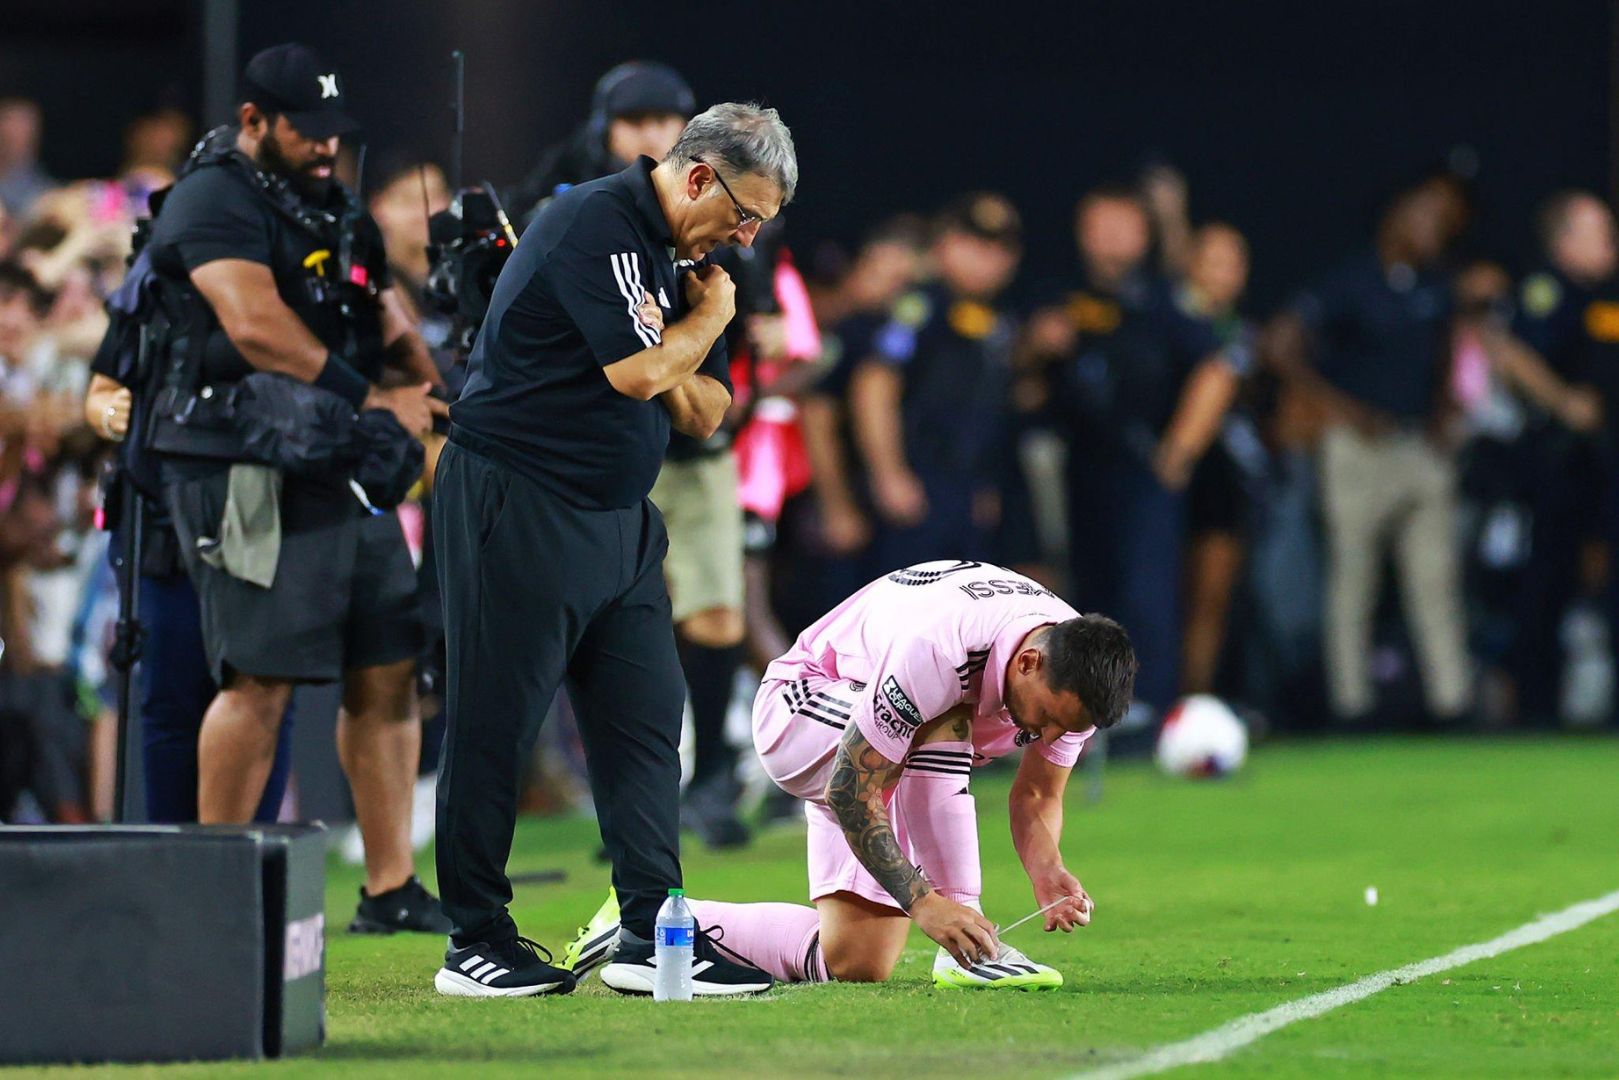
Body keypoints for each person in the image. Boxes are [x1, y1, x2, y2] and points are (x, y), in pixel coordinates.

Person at [433, 102, 795, 997]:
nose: (744, 241)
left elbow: (706, 409)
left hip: (618, 517)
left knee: (642, 724)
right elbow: (638, 374)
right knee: (495, 724)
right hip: (516, 497)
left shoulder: (674, 257)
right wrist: (707, 324)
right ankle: (474, 939)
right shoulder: (596, 220)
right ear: (701, 176)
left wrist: (684, 346)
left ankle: (649, 931)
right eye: (744, 215)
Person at [138, 44, 449, 931]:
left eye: (331, 132)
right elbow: (254, 324)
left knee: (387, 668)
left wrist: (430, 391)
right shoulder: (211, 198)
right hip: (246, 461)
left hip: (342, 459)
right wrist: (375, 397)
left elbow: (378, 306)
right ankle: (215, 892)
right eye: (303, 131)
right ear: (253, 122)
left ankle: (389, 889)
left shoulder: (332, 204)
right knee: (261, 677)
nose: (323, 147)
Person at [562, 559, 1137, 989]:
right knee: (942, 724)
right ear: (1028, 662)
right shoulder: (942, 648)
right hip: (801, 709)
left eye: (1068, 730)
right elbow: (850, 787)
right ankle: (972, 951)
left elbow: (1037, 790)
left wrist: (1047, 867)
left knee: (856, 960)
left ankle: (651, 921)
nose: (1045, 737)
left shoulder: (1074, 674)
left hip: (883, 752)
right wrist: (928, 902)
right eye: (1046, 720)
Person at [1023, 186, 1244, 719]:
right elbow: (1024, 380)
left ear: (1143, 234)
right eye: (1100, 225)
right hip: (1079, 467)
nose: (1112, 237)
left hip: (1145, 469)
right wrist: (1035, 345)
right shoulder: (1059, 296)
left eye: (1123, 225)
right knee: (1084, 594)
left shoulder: (1167, 299)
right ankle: (1091, 714)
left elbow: (1220, 367)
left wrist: (1180, 450)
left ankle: (1148, 709)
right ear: (1082, 231)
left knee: (1147, 592)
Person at [850, 194, 1022, 571]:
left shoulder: (999, 320)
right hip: (918, 480)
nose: (985, 259)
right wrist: (888, 472)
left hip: (965, 488)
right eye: (972, 244)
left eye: (998, 249)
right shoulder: (919, 307)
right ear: (945, 243)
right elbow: (874, 385)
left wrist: (983, 484)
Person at [506, 62, 695, 228]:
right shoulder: (568, 170)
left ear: (684, 128)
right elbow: (519, 217)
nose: (650, 137)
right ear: (605, 129)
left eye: (662, 122)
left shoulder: (706, 186)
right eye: (635, 122)